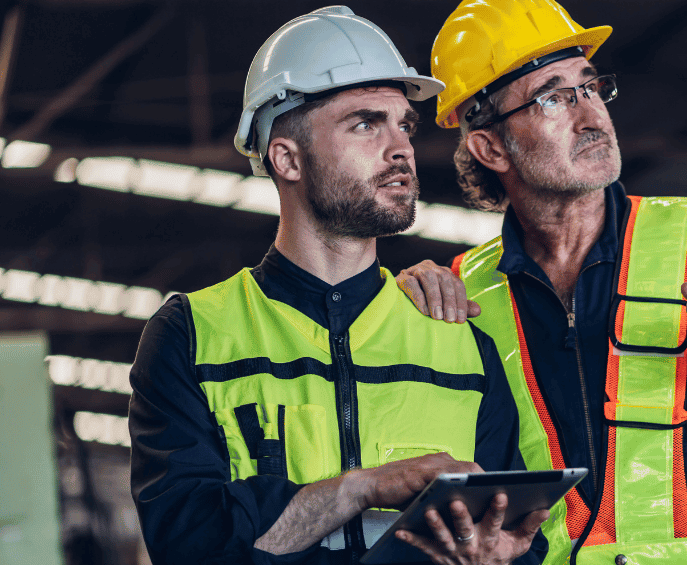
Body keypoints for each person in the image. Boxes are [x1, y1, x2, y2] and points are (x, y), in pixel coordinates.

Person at [396, 1, 687, 563]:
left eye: (589, 88)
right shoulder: (459, 294)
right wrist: (398, 308)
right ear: (490, 147)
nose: (590, 118)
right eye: (552, 98)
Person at [127, 7, 546, 564]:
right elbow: (188, 546)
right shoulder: (190, 336)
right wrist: (361, 487)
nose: (401, 149)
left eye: (404, 125)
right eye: (366, 123)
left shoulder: (461, 341)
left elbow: (509, 534)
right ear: (287, 158)